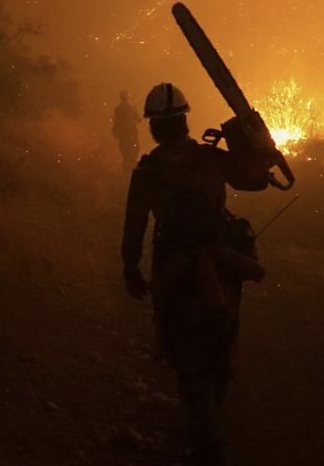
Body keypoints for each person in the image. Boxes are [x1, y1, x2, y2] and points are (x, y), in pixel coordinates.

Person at [122, 83, 268, 465]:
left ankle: (202, 424)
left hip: (174, 270)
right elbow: (255, 180)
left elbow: (134, 225)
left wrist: (130, 267)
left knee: (179, 346)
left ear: (153, 127)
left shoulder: (147, 173)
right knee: (222, 327)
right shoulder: (211, 160)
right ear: (186, 121)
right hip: (222, 264)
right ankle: (211, 404)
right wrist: (254, 147)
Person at [112, 89, 141, 171]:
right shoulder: (132, 108)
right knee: (134, 154)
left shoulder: (117, 109)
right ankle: (132, 173)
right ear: (128, 97)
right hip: (132, 136)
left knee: (125, 156)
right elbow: (139, 119)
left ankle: (125, 174)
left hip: (123, 137)